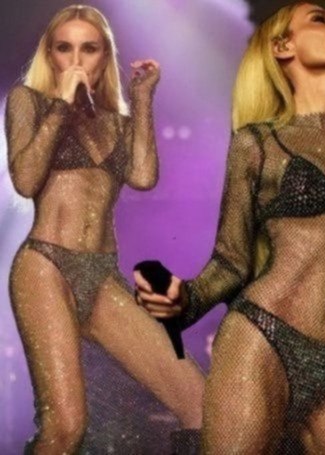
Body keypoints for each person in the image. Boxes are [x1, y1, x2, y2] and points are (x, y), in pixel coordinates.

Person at [136, 2, 325, 452]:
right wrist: (183, 299)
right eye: (320, 19)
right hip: (264, 338)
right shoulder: (257, 143)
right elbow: (231, 262)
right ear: (283, 46)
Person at [6, 5, 205, 453]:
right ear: (50, 55)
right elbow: (26, 180)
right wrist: (61, 103)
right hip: (46, 266)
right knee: (65, 427)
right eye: (65, 48)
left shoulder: (116, 122)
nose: (76, 59)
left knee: (200, 403)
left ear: (104, 56)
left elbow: (144, 177)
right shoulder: (29, 102)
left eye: (89, 49)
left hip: (101, 275)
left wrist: (143, 99)